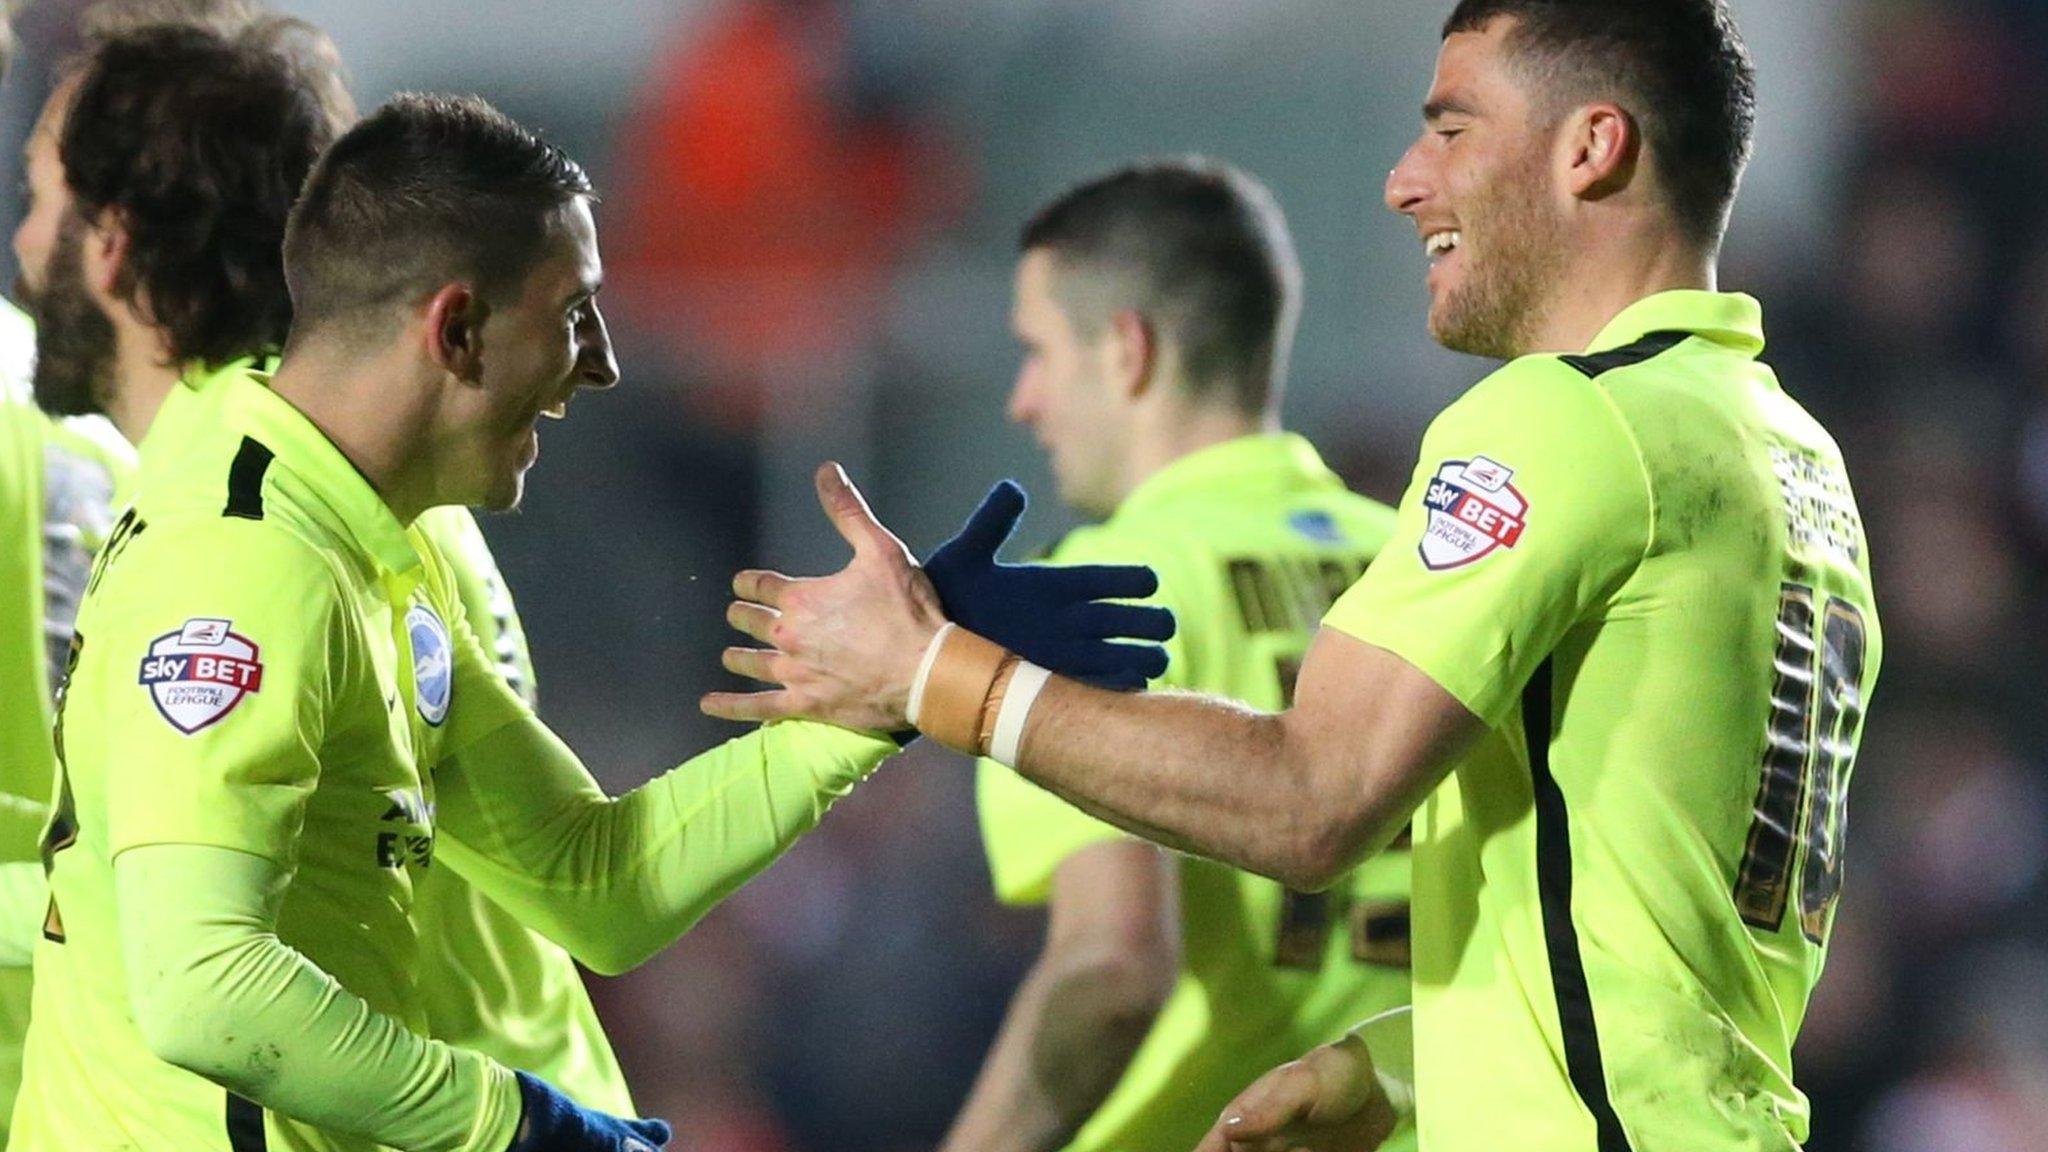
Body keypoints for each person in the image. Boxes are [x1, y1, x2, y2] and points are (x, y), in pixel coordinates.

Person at [707, 2, 1882, 1149]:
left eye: (1453, 127)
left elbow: (1311, 799)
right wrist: (1392, 1070)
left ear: (1589, 147)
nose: (1403, 179)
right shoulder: (1791, 458)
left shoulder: (1564, 419)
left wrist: (933, 672)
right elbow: (1664, 953)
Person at [16, 92, 1169, 1151]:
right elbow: (205, 987)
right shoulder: (248, 561)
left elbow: (591, 881)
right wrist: (515, 1125)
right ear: (456, 331)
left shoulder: (363, 540)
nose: (604, 365)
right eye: (573, 315)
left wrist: (887, 693)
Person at [8, 5, 643, 1117]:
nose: (19, 250)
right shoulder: (352, 474)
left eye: (37, 203)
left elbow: (210, 957)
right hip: (496, 1086)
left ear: (110, 244)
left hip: (429, 1106)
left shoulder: (264, 509)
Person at [939, 159, 1412, 1152]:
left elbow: (1111, 975)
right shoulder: (1425, 561)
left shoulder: (1095, 588)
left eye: (1036, 351)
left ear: (1124, 350)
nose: (1023, 400)